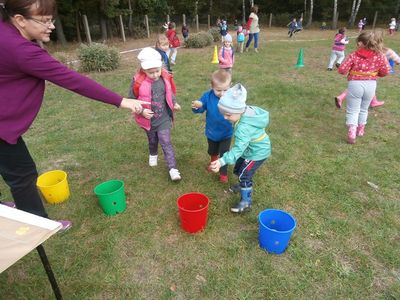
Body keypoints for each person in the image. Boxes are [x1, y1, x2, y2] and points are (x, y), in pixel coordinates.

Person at [0, 0, 144, 231]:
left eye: (51, 20)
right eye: (44, 21)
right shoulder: (21, 50)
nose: (51, 26)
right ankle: (41, 226)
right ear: (19, 20)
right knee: (23, 175)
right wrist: (122, 100)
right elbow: (72, 79)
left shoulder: (4, 34)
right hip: (2, 128)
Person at [209, 83, 271, 213]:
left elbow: (238, 149)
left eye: (228, 115)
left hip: (257, 152)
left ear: (238, 110)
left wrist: (221, 161)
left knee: (245, 175)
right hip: (250, 148)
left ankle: (246, 202)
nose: (225, 118)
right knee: (238, 168)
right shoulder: (244, 111)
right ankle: (242, 186)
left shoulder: (243, 128)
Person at [129, 47, 182, 181]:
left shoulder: (165, 78)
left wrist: (174, 103)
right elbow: (131, 100)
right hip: (148, 120)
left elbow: (169, 93)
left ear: (161, 67)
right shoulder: (138, 82)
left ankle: (173, 169)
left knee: (166, 142)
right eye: (150, 72)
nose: (155, 75)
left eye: (157, 71)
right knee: (152, 141)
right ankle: (153, 154)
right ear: (143, 70)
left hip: (163, 118)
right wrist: (141, 111)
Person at [338, 31, 391, 144]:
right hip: (371, 84)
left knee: (353, 109)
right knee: (364, 108)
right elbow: (386, 71)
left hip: (355, 84)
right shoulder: (380, 56)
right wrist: (377, 74)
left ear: (360, 43)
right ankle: (360, 130)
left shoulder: (354, 55)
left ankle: (352, 131)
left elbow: (342, 70)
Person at [191, 70, 233, 183]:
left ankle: (223, 173)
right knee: (213, 151)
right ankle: (213, 163)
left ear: (230, 86)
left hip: (226, 132)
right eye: (218, 90)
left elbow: (239, 110)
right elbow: (200, 108)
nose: (222, 93)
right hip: (212, 132)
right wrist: (197, 106)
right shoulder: (208, 96)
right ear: (212, 87)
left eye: (225, 90)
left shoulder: (232, 98)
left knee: (225, 154)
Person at [335, 47, 400, 108]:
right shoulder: (389, 53)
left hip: (363, 71)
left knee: (361, 84)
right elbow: (397, 62)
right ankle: (341, 97)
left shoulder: (375, 51)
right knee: (365, 84)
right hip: (370, 72)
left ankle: (374, 101)